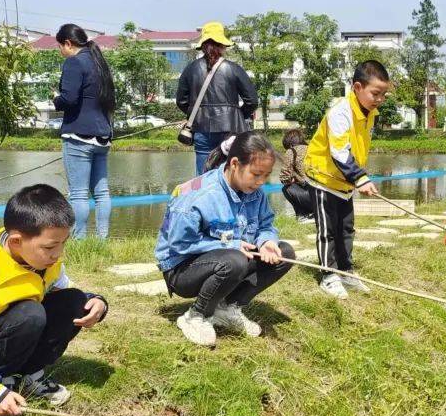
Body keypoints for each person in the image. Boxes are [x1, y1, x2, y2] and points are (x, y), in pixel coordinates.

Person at [0, 185, 109, 416]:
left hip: (13, 331)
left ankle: (30, 373)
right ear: (15, 242)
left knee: (75, 301)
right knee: (31, 314)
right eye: (50, 247)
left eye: (64, 243)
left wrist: (96, 303)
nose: (59, 254)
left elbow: (64, 291)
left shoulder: (45, 261)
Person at [156, 132, 294, 347]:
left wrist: (267, 242)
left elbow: (266, 224)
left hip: (228, 258)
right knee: (234, 260)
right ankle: (196, 315)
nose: (261, 182)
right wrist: (230, 245)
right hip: (182, 269)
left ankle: (227, 307)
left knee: (284, 254)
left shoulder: (255, 192)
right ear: (235, 163)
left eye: (266, 176)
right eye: (256, 174)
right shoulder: (199, 194)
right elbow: (179, 244)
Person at [305, 60, 388, 299]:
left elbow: (357, 147)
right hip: (323, 177)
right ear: (357, 87)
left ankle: (345, 270)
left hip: (344, 182)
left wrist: (357, 177)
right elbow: (339, 151)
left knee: (346, 227)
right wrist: (360, 177)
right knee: (327, 229)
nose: (379, 99)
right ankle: (328, 274)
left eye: (383, 94)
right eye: (375, 93)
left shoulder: (370, 112)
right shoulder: (340, 112)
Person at [53, 24, 116, 239]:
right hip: (102, 136)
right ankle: (102, 240)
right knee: (101, 193)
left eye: (60, 47)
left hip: (78, 135)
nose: (60, 51)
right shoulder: (99, 62)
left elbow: (69, 99)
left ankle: (79, 241)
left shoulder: (74, 62)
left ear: (68, 44)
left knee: (78, 194)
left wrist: (55, 100)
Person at [176, 21, 259, 175]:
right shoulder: (233, 69)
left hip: (201, 129)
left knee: (203, 177)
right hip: (231, 130)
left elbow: (181, 101)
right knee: (231, 177)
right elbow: (252, 101)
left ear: (202, 45)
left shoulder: (190, 69)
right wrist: (238, 115)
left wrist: (197, 114)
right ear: (223, 45)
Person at [279, 129, 314, 222]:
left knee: (287, 188)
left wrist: (293, 179)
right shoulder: (313, 148)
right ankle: (313, 214)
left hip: (311, 195)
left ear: (289, 144)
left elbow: (284, 177)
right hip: (326, 196)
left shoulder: (291, 151)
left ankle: (303, 215)